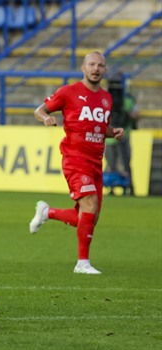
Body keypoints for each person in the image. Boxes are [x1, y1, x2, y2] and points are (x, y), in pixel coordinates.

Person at [28, 51, 125, 275]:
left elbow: (101, 127)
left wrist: (114, 132)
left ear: (105, 70)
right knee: (89, 206)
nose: (96, 69)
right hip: (75, 158)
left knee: (89, 216)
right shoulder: (68, 92)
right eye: (92, 64)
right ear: (83, 68)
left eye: (100, 65)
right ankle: (82, 263)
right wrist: (46, 118)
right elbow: (39, 110)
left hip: (95, 161)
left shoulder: (106, 98)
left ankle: (48, 212)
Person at [104, 72, 139, 196]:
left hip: (115, 137)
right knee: (122, 163)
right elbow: (135, 115)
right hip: (118, 136)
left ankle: (118, 187)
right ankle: (126, 188)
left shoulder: (106, 99)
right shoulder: (128, 100)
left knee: (116, 163)